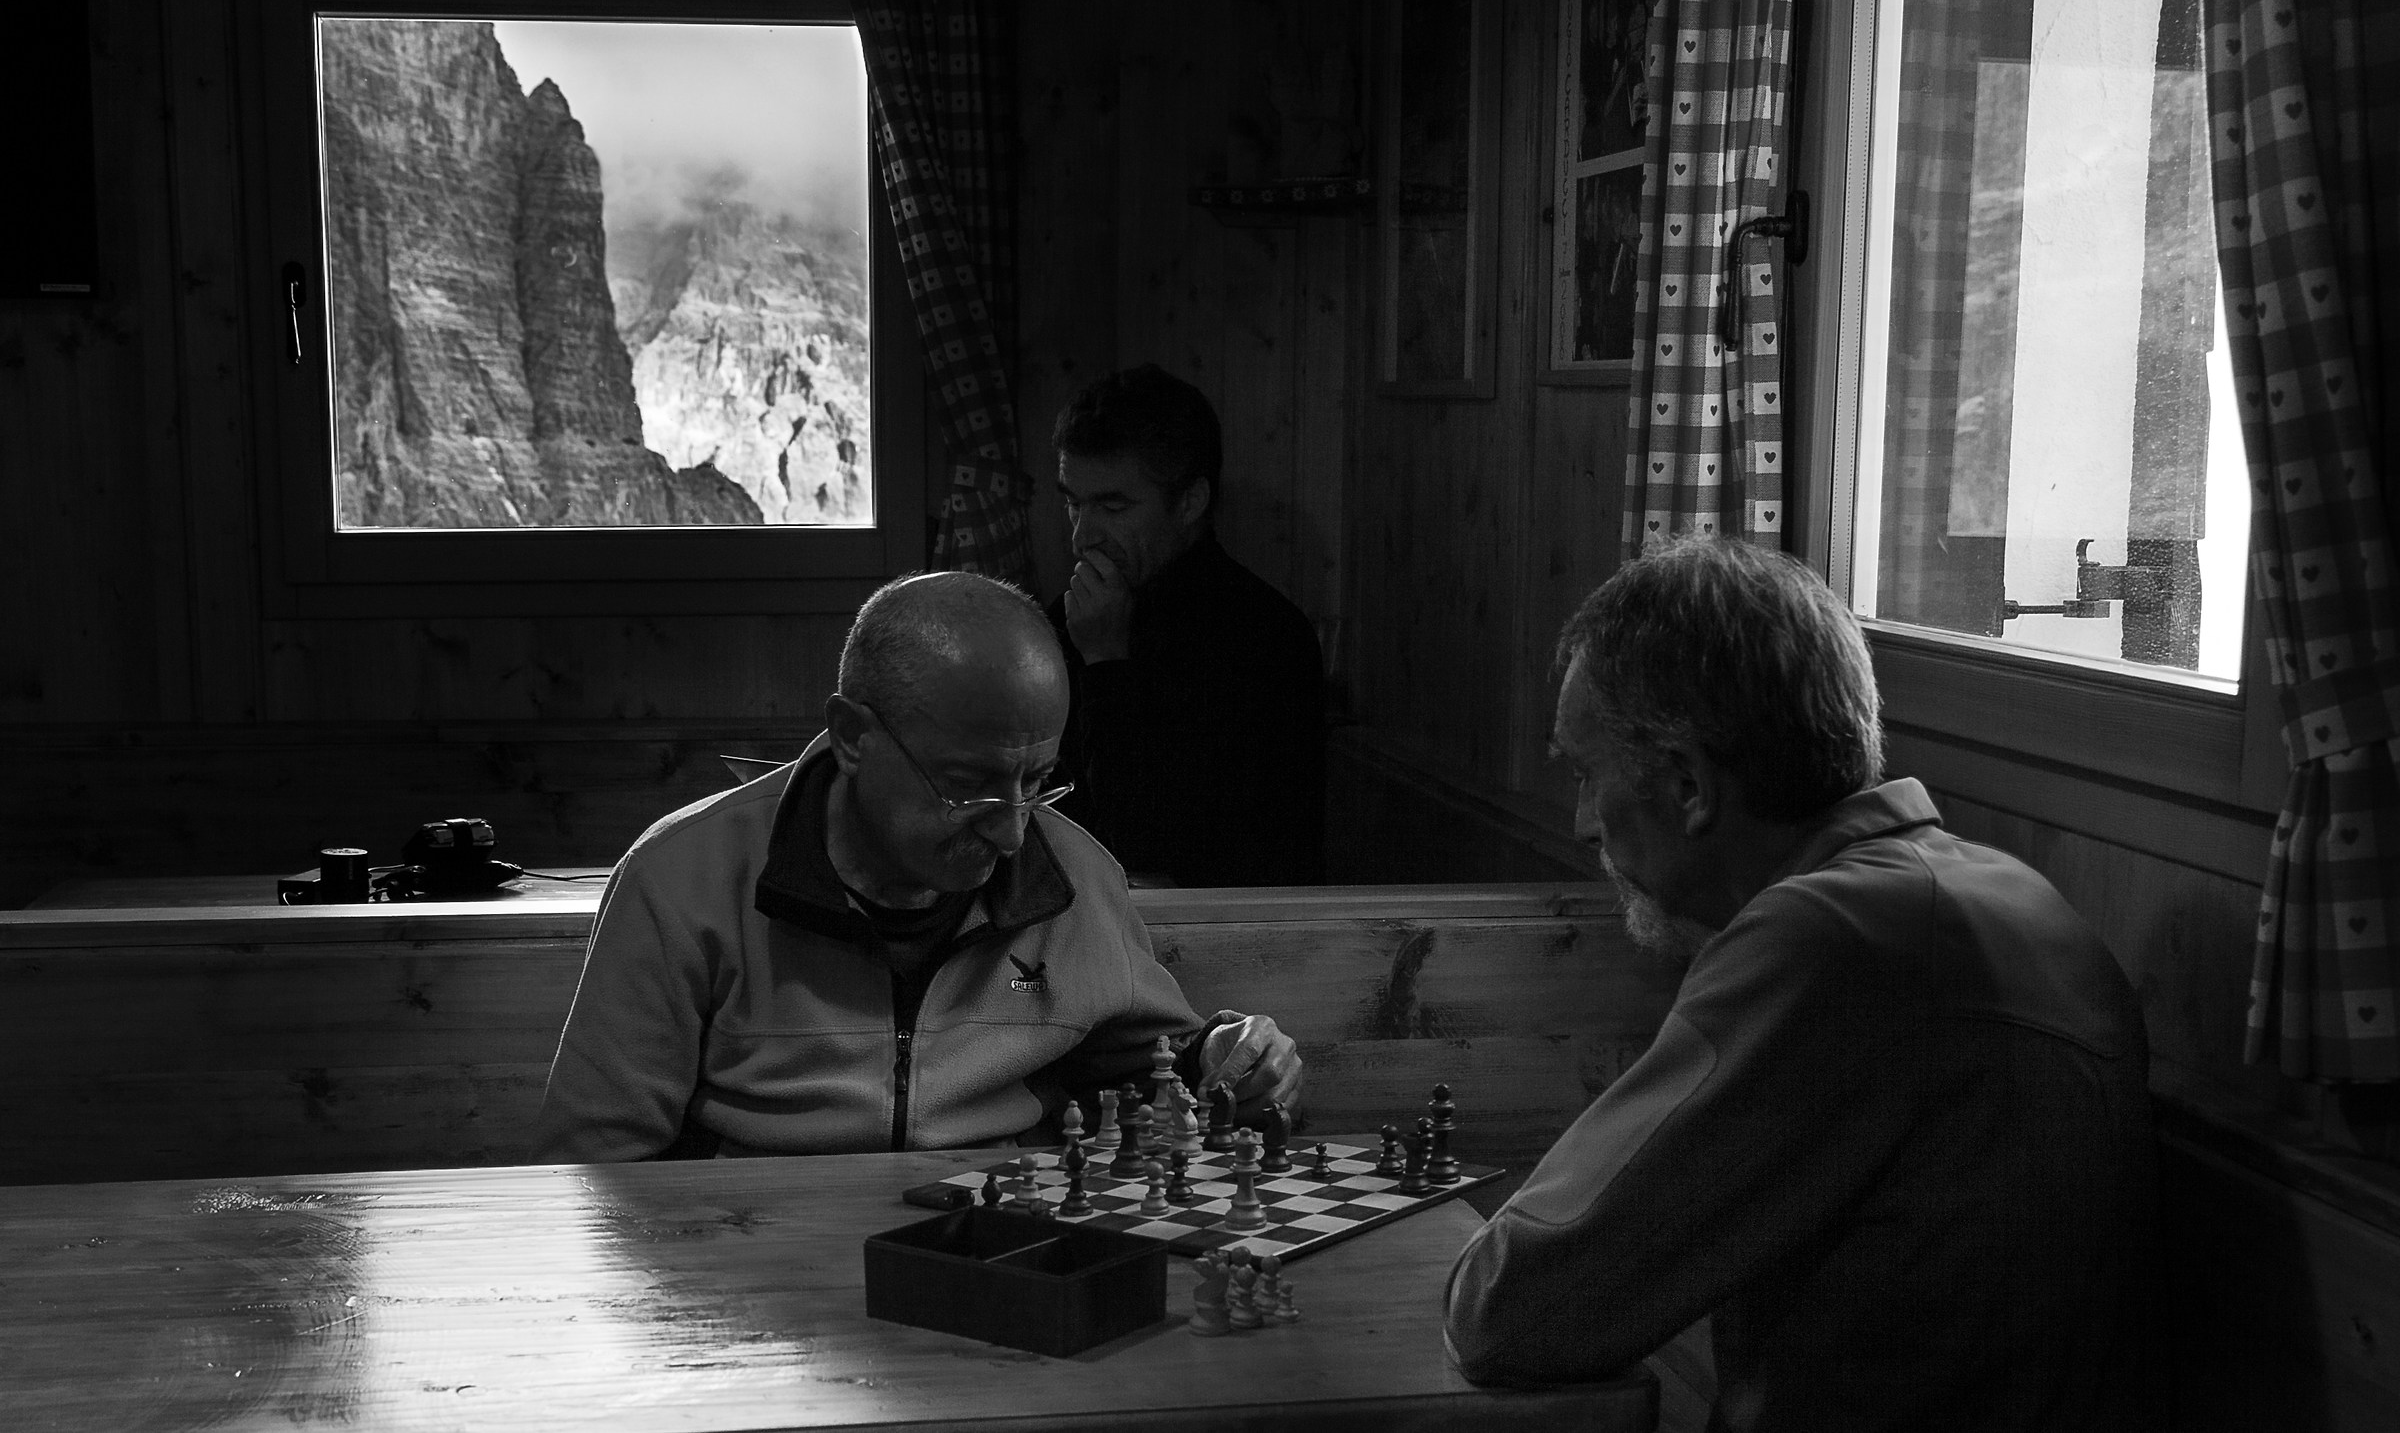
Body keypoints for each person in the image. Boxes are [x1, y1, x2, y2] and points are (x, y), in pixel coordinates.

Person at [1445, 538, 2156, 1430]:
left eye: (1586, 775)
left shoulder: (1830, 939)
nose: (1582, 821)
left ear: (1689, 785)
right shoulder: (2001, 893)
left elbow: (1511, 1306)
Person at [533, 571, 1302, 1162]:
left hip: (1003, 1260)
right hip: (756, 1281)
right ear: (852, 736)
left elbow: (1154, 1067)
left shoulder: (1074, 874)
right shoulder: (679, 881)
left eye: (1035, 783)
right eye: (967, 788)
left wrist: (1230, 1058)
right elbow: (590, 1170)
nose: (1011, 834)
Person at [1047, 366, 1325, 886]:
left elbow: (1144, 847)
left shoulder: (1262, 640)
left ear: (1190, 503)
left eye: (1113, 505)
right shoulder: (1064, 619)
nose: (1084, 535)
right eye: (1072, 503)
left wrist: (1106, 663)